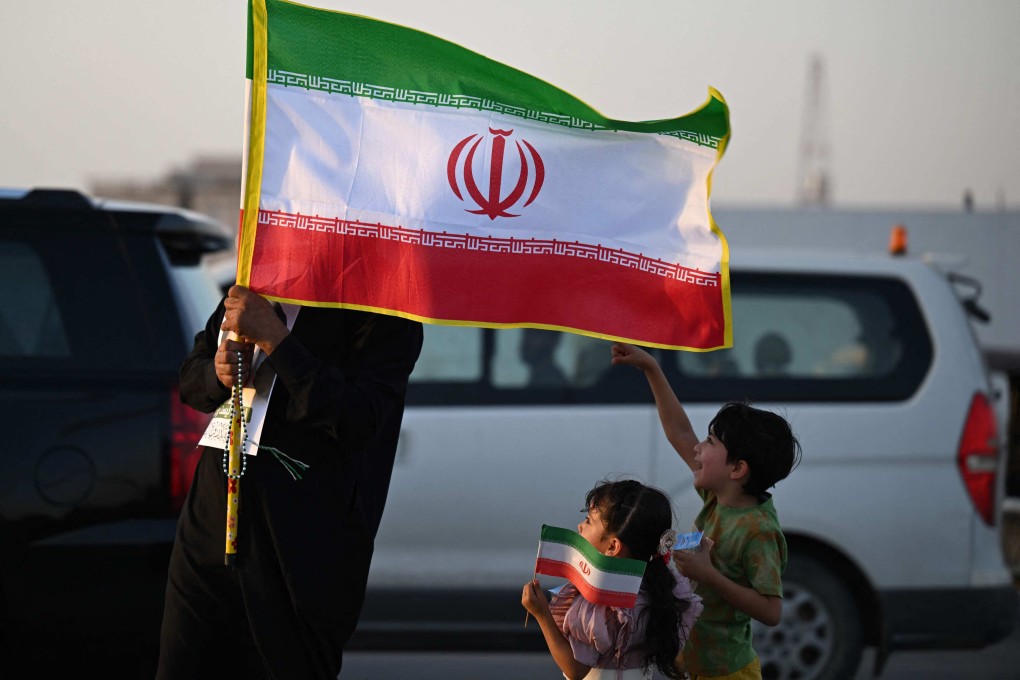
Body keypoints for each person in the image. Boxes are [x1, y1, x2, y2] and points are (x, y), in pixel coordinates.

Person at [156, 285, 423, 680]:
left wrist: (278, 341)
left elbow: (358, 420)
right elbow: (193, 379)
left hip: (301, 539)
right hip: (211, 518)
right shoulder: (253, 281)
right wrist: (217, 373)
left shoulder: (382, 308)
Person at [610, 343, 801, 680]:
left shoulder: (759, 530)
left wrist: (708, 574)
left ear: (737, 469)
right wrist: (651, 368)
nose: (698, 447)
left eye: (711, 442)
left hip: (726, 672)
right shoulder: (719, 496)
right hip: (690, 664)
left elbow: (771, 611)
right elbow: (680, 432)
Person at [521, 478, 703, 680]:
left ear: (613, 547)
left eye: (589, 521)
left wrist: (541, 614)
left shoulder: (600, 605)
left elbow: (576, 670)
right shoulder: (663, 588)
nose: (580, 527)